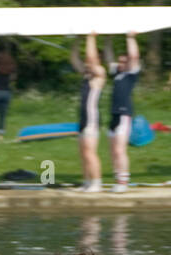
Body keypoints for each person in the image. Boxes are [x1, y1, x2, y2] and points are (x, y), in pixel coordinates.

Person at [70, 33, 106, 192]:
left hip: (92, 120)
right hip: (83, 119)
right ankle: (86, 182)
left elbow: (91, 59)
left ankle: (96, 183)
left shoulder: (99, 74)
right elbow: (73, 59)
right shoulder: (86, 74)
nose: (87, 60)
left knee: (90, 153)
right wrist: (77, 40)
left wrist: (91, 37)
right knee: (83, 153)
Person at [107, 32, 140, 193]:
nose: (120, 64)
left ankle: (123, 182)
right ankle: (117, 178)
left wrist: (130, 38)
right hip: (113, 115)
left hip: (124, 114)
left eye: (123, 61)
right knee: (113, 150)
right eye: (119, 61)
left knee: (120, 150)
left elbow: (134, 56)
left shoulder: (131, 74)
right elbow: (108, 57)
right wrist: (107, 38)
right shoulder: (117, 74)